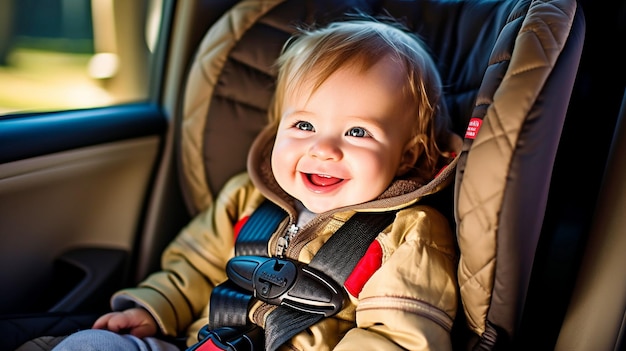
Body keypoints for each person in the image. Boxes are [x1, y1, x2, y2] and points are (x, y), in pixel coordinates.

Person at [21, 14, 462, 351]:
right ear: (277, 128)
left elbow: (399, 338)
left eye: (358, 132)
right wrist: (154, 306)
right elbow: (194, 266)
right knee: (90, 345)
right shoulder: (246, 200)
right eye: (304, 126)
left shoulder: (410, 234)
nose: (323, 149)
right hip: (205, 341)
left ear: (407, 154)